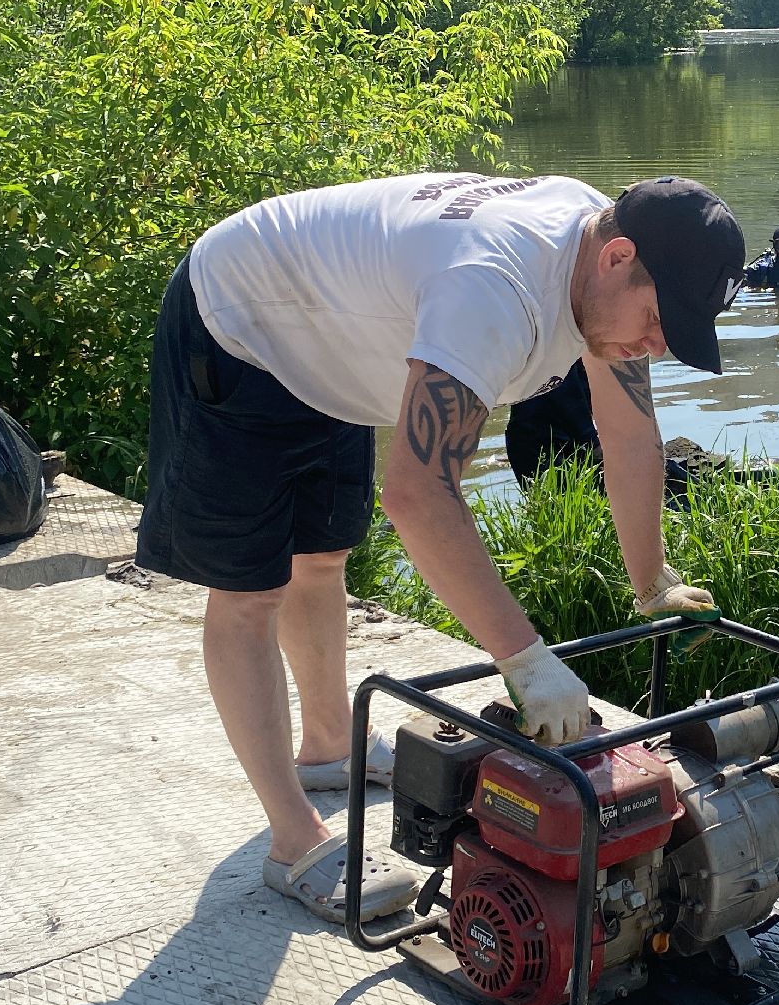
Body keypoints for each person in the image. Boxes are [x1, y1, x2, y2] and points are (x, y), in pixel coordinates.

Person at [134, 173, 742, 925]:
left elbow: (628, 435)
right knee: (251, 591)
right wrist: (525, 659)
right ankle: (295, 841)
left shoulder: (604, 262)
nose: (654, 345)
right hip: (240, 320)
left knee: (322, 559)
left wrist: (652, 584)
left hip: (331, 341)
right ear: (617, 257)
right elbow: (420, 496)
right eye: (657, 320)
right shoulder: (494, 286)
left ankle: (327, 748)